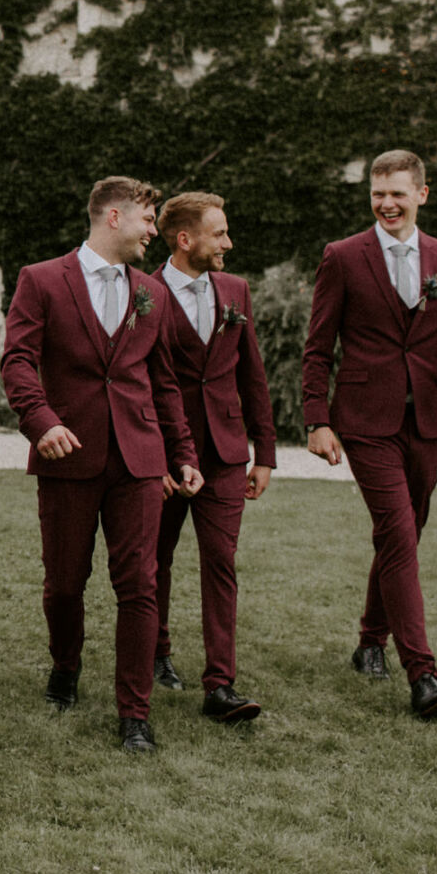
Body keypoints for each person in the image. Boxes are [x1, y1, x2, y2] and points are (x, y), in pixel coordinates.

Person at [0, 176, 201, 754]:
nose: (153, 231)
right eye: (147, 219)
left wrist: (181, 453)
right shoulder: (42, 281)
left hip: (139, 461)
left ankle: (134, 712)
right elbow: (17, 362)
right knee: (65, 583)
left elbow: (164, 384)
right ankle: (65, 666)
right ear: (114, 217)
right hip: (69, 454)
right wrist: (43, 423)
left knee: (140, 585)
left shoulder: (153, 294)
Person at [302, 149, 437, 718]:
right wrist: (317, 419)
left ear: (421, 194)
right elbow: (318, 348)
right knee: (396, 528)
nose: (386, 204)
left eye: (397, 193)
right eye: (377, 194)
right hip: (365, 421)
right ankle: (423, 674)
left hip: (430, 420)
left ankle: (370, 640)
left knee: (403, 534)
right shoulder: (342, 257)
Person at [148, 192, 275, 724]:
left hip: (224, 453)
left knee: (221, 564)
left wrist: (263, 453)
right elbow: (138, 384)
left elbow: (253, 375)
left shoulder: (235, 291)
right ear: (185, 240)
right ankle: (156, 652)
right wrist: (152, 459)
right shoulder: (144, 294)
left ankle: (220, 685)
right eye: (219, 233)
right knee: (155, 561)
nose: (228, 243)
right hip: (162, 459)